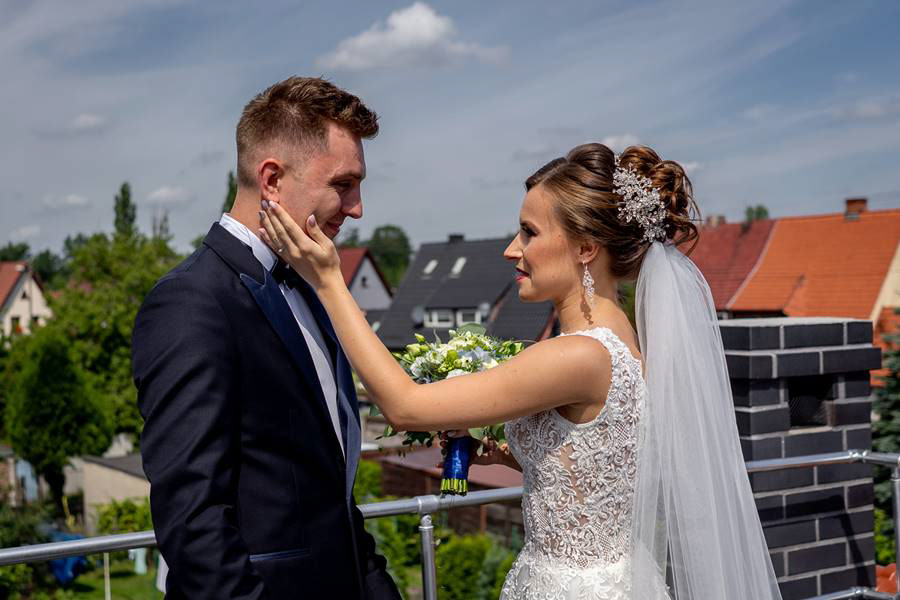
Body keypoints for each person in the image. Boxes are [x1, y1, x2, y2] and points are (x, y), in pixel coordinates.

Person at [260, 142, 784, 599]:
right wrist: (509, 454)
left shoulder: (578, 355)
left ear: (586, 248)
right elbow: (595, 475)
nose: (512, 249)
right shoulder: (625, 340)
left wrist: (328, 280)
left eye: (529, 233)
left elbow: (404, 406)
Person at [131, 76, 401, 600]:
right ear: (272, 179)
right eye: (344, 184)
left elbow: (330, 489)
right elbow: (193, 521)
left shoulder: (314, 287)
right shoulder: (191, 302)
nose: (358, 207)